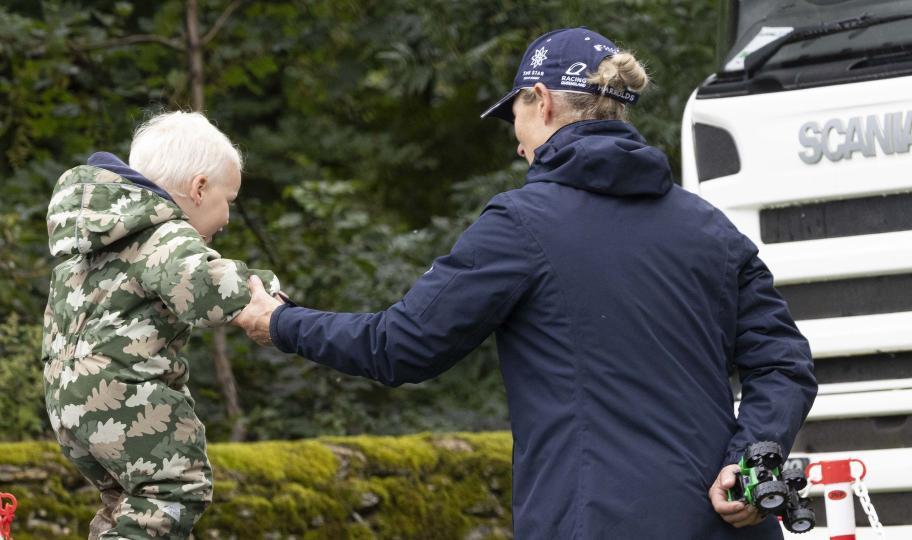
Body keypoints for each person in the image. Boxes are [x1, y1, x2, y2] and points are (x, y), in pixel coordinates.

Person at [234, 27, 817, 539]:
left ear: (540, 101)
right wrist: (748, 463)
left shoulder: (521, 223)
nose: (517, 145)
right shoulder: (709, 226)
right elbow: (784, 362)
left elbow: (400, 346)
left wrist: (281, 321)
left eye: (515, 118)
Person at [42, 111, 281, 539]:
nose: (227, 217)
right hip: (126, 394)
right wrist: (266, 298)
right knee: (175, 492)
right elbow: (204, 286)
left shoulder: (95, 240)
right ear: (199, 187)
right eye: (229, 199)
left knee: (128, 504)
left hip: (68, 402)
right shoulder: (163, 234)